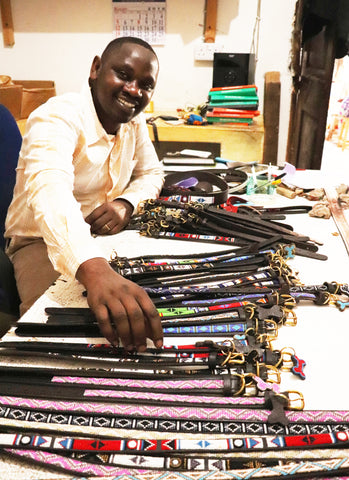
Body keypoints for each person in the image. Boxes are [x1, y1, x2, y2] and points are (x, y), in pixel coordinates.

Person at [4, 36, 165, 352]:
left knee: (158, 306)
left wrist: (125, 204)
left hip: (103, 235)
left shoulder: (133, 121)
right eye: (123, 74)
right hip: (39, 239)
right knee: (59, 340)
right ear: (95, 69)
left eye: (145, 85)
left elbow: (152, 173)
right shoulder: (56, 117)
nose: (134, 90)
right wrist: (92, 268)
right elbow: (50, 190)